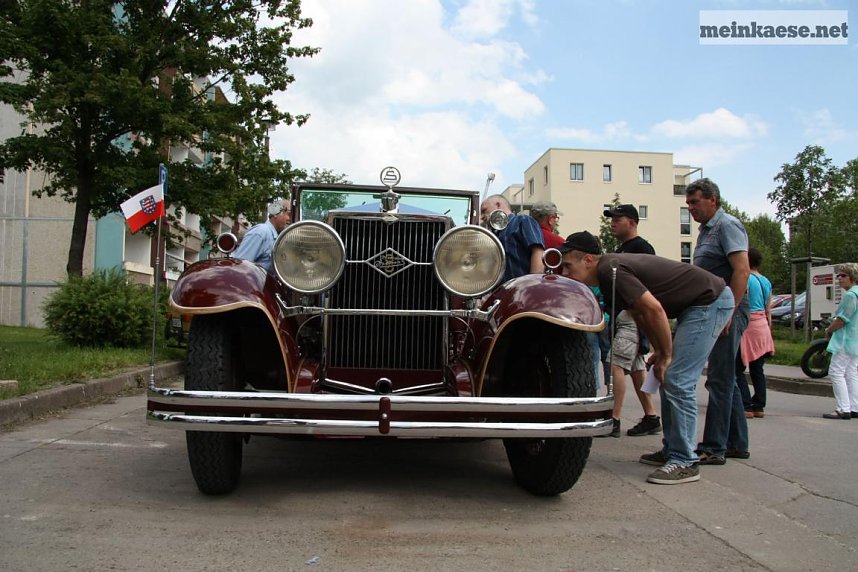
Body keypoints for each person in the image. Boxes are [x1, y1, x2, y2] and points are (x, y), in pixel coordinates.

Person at [558, 231, 733, 485]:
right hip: (698, 302)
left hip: (709, 301)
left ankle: (685, 460)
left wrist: (666, 354)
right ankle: (674, 450)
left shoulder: (610, 269)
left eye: (568, 266)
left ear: (587, 260)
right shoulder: (608, 275)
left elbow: (654, 309)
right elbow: (639, 315)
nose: (565, 273)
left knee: (678, 379)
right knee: (669, 376)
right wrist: (659, 351)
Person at [685, 178, 751, 465]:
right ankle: (736, 442)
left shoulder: (727, 226)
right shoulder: (706, 230)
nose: (690, 208)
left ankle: (714, 447)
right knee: (728, 379)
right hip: (717, 306)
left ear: (713, 200)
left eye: (695, 202)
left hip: (727, 307)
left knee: (720, 379)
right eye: (688, 203)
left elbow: (741, 271)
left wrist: (729, 312)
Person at [602, 204, 660, 438]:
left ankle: (613, 420)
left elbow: (648, 282)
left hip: (631, 315)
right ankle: (651, 417)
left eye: (618, 218)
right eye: (612, 218)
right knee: (636, 369)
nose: (613, 222)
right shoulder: (625, 248)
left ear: (633, 222)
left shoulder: (642, 248)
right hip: (626, 315)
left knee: (615, 364)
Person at [736, 247, 775, 420]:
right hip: (763, 325)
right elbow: (768, 308)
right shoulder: (765, 281)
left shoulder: (745, 278)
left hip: (748, 324)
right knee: (757, 368)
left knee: (737, 367)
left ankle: (745, 404)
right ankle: (759, 405)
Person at [821, 263, 858, 420]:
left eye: (843, 276)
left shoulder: (850, 296)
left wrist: (829, 329)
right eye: (839, 276)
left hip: (845, 339)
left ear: (852, 277)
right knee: (851, 372)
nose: (839, 279)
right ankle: (854, 406)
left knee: (836, 371)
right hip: (855, 340)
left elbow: (842, 319)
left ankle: (843, 408)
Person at [480, 194, 544, 281]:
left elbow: (538, 252)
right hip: (503, 291)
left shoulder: (522, 220)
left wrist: (533, 284)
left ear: (498, 205)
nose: (482, 217)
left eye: (484, 210)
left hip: (522, 289)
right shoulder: (495, 234)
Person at [232, 198, 292, 271]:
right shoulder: (261, 232)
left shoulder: (277, 238)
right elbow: (240, 266)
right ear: (276, 212)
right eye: (289, 214)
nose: (291, 219)